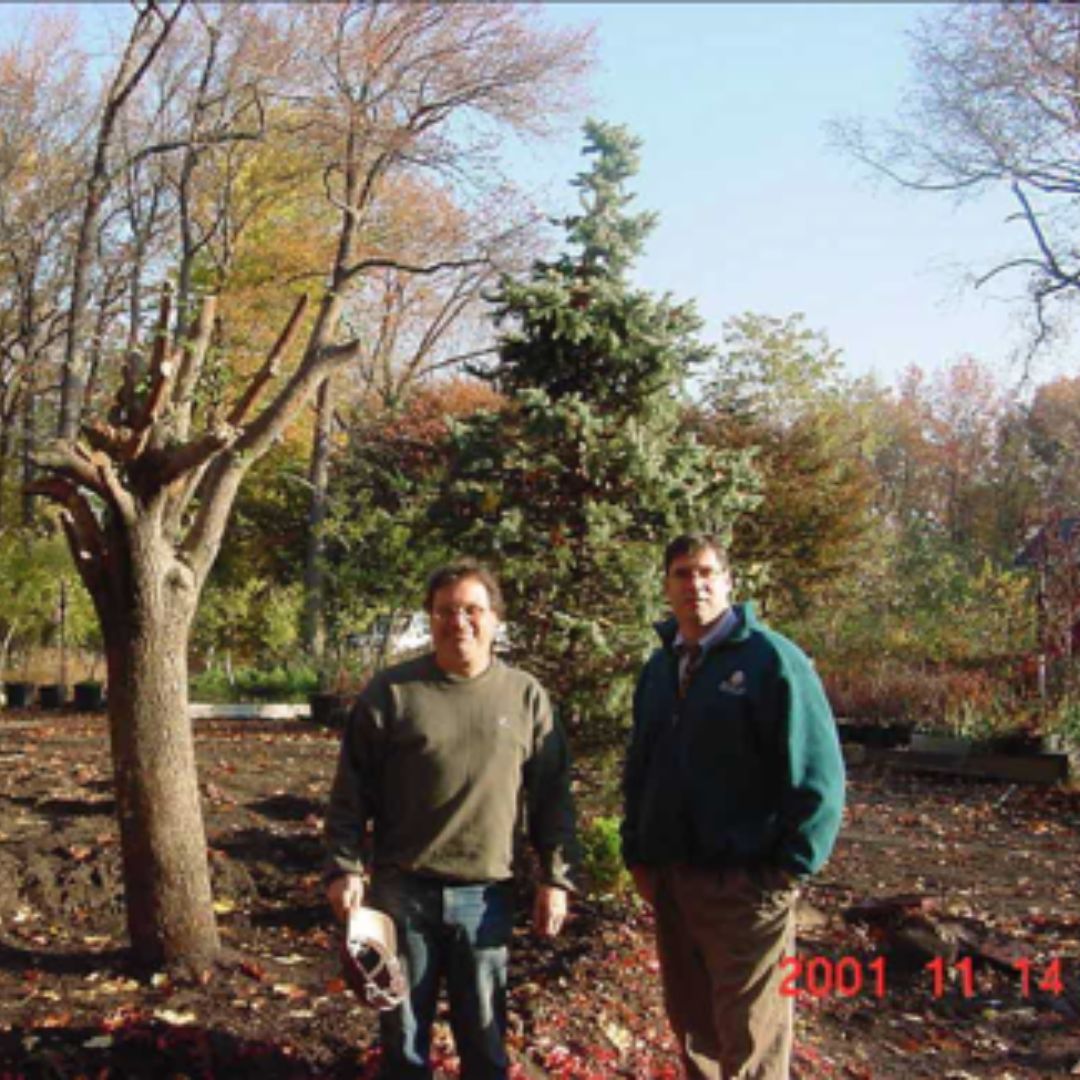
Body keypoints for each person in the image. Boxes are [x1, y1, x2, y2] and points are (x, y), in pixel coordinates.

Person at [324, 560, 578, 1080]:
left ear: (495, 620)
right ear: (429, 617)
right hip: (403, 892)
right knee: (403, 1042)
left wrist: (556, 877)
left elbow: (552, 797)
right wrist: (344, 865)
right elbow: (351, 790)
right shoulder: (392, 693)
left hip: (485, 898)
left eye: (472, 610)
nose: (458, 622)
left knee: (485, 1042)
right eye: (445, 611)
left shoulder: (525, 696)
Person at [621, 533, 845, 1080]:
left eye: (705, 572)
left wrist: (789, 869)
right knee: (693, 1028)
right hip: (675, 879)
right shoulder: (659, 669)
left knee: (751, 1036)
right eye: (681, 573)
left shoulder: (771, 660)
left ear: (727, 582)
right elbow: (641, 767)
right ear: (666, 586)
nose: (694, 584)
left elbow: (819, 776)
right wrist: (639, 855)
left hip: (746, 885)